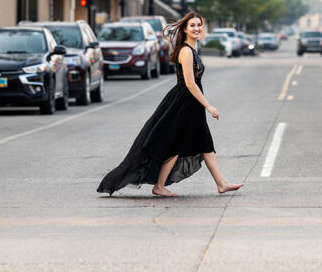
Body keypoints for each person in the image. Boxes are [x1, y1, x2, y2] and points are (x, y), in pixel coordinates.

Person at [97, 11, 244, 197]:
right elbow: (190, 83)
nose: (197, 28)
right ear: (185, 29)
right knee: (176, 145)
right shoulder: (186, 51)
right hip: (184, 104)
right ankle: (159, 186)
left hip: (192, 104)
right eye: (192, 25)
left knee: (205, 143)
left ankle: (221, 183)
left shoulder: (191, 49)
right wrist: (208, 105)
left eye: (199, 25)